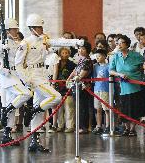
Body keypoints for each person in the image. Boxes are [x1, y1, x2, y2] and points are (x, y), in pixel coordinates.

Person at [15, 13, 81, 152]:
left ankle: (34, 140)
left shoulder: (43, 40)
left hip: (42, 74)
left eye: (41, 26)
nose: (41, 29)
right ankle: (32, 111)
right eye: (38, 27)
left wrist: (75, 42)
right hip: (33, 76)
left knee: (39, 109)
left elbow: (59, 42)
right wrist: (26, 79)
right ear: (32, 28)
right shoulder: (25, 43)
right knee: (56, 97)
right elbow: (18, 64)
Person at [0, 18, 32, 144]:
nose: (16, 31)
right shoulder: (1, 43)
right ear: (7, 30)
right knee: (26, 94)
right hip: (8, 77)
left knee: (11, 107)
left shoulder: (16, 43)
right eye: (14, 29)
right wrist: (3, 70)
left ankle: (6, 135)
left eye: (17, 29)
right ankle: (5, 111)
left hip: (15, 76)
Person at [109, 35, 145, 136]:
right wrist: (119, 74)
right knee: (124, 108)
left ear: (127, 44)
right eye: (117, 43)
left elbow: (144, 65)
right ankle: (126, 128)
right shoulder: (116, 56)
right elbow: (111, 70)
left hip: (136, 87)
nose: (119, 45)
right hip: (123, 87)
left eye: (121, 43)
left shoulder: (136, 55)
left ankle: (132, 129)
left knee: (134, 109)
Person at [67, 41, 93, 134]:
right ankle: (79, 126)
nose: (80, 50)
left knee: (82, 107)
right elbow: (75, 70)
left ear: (87, 50)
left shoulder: (87, 60)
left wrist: (77, 77)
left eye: (83, 49)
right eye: (79, 48)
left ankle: (83, 127)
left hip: (83, 87)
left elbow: (83, 73)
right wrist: (69, 78)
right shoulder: (81, 60)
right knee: (77, 106)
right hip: (76, 85)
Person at [53, 47, 76, 133]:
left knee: (69, 107)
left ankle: (70, 126)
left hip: (68, 88)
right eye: (63, 53)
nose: (65, 54)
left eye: (66, 53)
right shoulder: (56, 63)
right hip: (58, 88)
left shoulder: (72, 64)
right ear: (59, 54)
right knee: (59, 108)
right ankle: (60, 125)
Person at [91, 49, 110, 135]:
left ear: (104, 56)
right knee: (97, 109)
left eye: (99, 56)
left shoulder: (108, 66)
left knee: (106, 109)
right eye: (97, 56)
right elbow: (94, 77)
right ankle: (98, 126)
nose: (98, 58)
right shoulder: (95, 66)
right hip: (96, 89)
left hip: (105, 89)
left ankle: (108, 125)